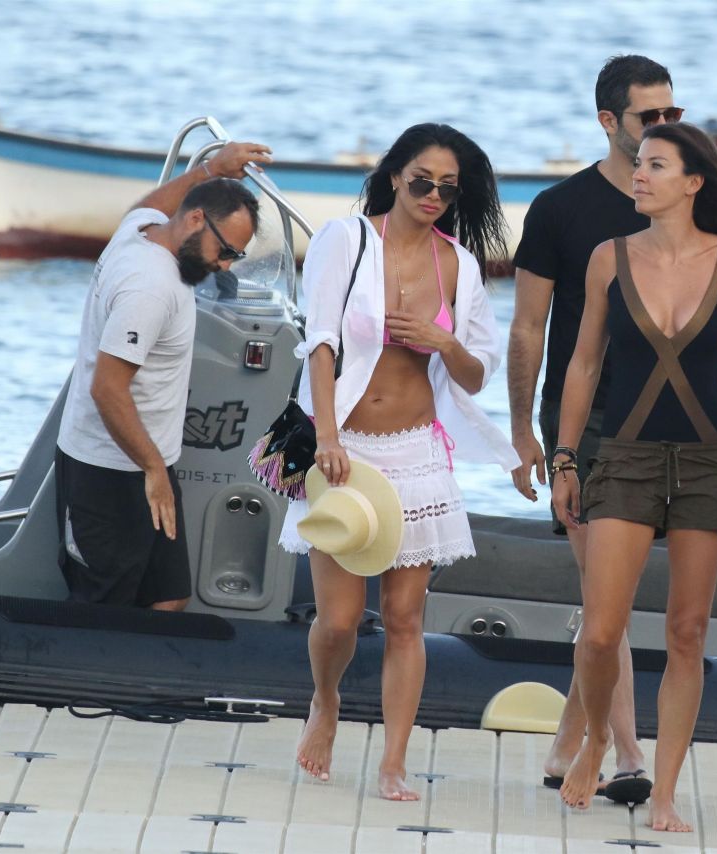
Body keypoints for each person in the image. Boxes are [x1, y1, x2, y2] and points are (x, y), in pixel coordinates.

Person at [507, 53, 717, 802]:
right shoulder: (560, 209)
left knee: (611, 608)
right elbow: (528, 328)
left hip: (688, 431)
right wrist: (525, 432)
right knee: (604, 602)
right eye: (650, 116)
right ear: (608, 121)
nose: (665, 125)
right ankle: (623, 752)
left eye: (672, 113)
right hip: (591, 422)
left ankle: (569, 741)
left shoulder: (692, 203)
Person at [551, 122, 717, 831]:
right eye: (639, 164)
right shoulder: (609, 257)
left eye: (656, 166)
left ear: (693, 182)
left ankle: (665, 792)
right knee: (602, 632)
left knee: (687, 634)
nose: (640, 175)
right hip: (624, 458)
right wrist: (565, 457)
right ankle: (599, 737)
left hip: (707, 464)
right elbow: (584, 365)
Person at [282, 124, 518, 799]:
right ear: (393, 178)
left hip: (417, 451)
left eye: (448, 187)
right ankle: (325, 702)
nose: (433, 195)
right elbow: (319, 343)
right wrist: (327, 437)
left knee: (406, 618)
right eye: (421, 181)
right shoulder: (346, 240)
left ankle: (393, 762)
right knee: (338, 619)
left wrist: (445, 343)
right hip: (345, 448)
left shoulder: (460, 266)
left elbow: (477, 375)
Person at [55, 142, 270, 610]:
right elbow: (107, 387)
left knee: (170, 599)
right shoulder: (150, 289)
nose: (226, 265)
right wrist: (153, 470)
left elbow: (151, 203)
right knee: (104, 607)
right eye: (225, 250)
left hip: (148, 465)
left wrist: (210, 169)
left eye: (236, 255)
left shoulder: (141, 230)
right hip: (112, 472)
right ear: (194, 220)